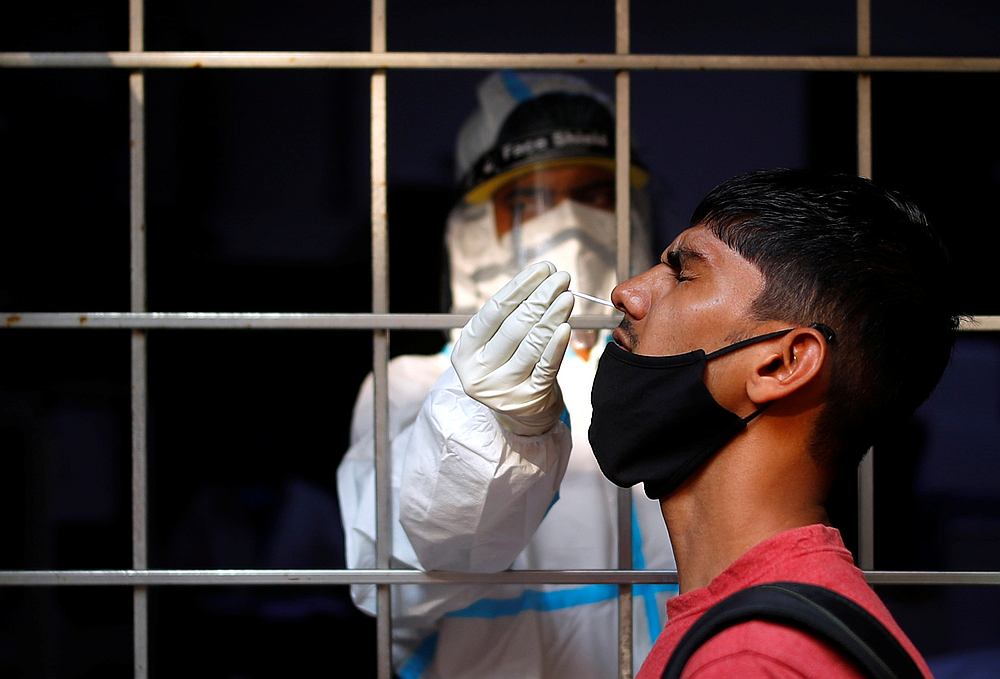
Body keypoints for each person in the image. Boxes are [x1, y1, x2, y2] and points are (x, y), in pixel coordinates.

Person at [337, 71, 676, 678]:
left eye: (599, 194)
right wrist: (491, 428)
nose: (571, 221)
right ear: (473, 231)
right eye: (530, 201)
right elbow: (391, 581)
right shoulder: (414, 388)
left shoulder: (676, 371)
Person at [576, 168, 953, 676]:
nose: (627, 292)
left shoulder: (752, 659)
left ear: (783, 364)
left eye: (684, 273)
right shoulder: (760, 629)